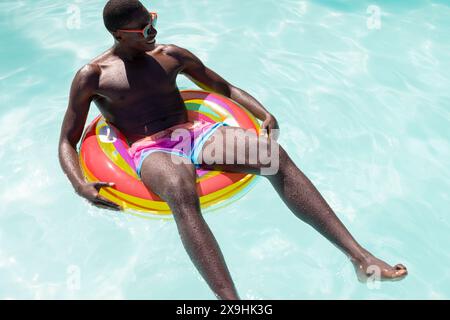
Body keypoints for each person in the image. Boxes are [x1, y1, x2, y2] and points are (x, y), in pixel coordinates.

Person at [58, 0, 407, 300]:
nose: (152, 32)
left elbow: (222, 86)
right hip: (148, 147)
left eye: (153, 21)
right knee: (180, 188)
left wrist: (262, 112)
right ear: (120, 35)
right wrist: (79, 184)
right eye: (143, 30)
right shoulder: (93, 76)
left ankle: (361, 258)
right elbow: (66, 140)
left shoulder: (170, 55)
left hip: (192, 132)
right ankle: (230, 300)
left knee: (274, 157)